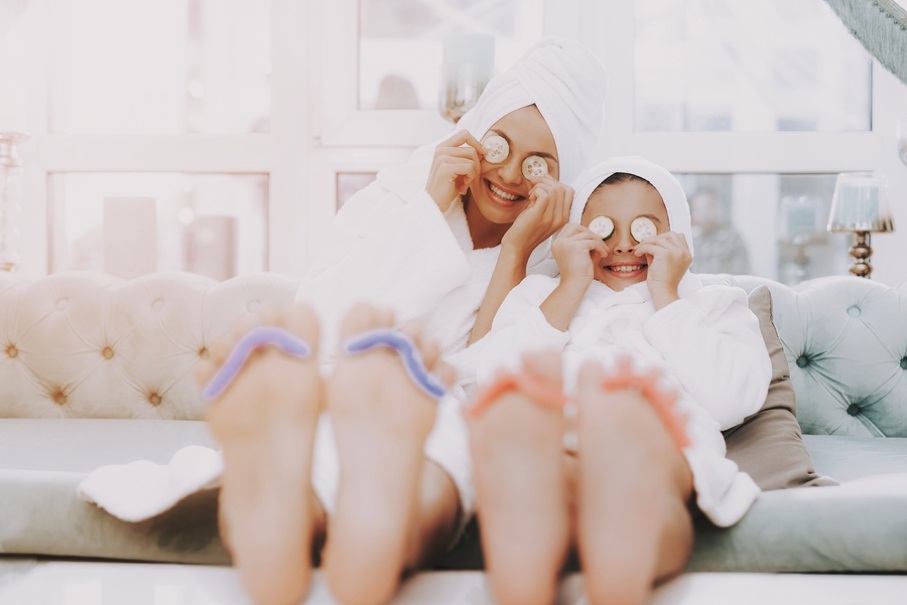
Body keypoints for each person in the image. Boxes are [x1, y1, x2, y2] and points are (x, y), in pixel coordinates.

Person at [200, 37, 609, 605]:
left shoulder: (560, 258)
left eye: (539, 165)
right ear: (475, 129)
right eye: (499, 144)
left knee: (451, 439)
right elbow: (323, 315)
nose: (511, 174)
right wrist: (427, 210)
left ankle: (313, 516)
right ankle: (295, 501)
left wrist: (514, 252)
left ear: (568, 179)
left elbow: (485, 370)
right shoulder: (399, 195)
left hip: (430, 406)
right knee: (422, 457)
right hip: (337, 385)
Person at [468, 156, 772, 605]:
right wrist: (570, 284)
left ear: (679, 235)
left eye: (646, 228)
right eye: (605, 228)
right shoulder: (541, 295)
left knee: (648, 484)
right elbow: (488, 376)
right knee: (539, 449)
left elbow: (730, 399)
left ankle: (620, 509)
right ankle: (532, 519)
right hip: (559, 434)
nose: (626, 245)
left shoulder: (710, 303)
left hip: (659, 440)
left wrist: (667, 296)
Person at [688, 187, 751, 275]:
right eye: (698, 209)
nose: (704, 213)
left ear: (718, 207)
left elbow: (741, 274)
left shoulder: (732, 239)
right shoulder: (690, 240)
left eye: (708, 207)